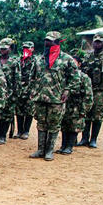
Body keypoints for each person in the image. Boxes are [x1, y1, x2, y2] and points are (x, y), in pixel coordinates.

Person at [28, 31, 80, 161]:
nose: (47, 43)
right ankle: (41, 150)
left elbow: (75, 78)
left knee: (54, 124)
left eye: (50, 41)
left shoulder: (66, 59)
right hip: (40, 97)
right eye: (46, 40)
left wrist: (67, 90)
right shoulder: (39, 58)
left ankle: (49, 151)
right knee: (41, 123)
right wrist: (33, 90)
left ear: (57, 42)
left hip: (56, 98)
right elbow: (32, 76)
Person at [77, 31, 103, 148]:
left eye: (99, 42)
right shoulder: (87, 57)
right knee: (86, 114)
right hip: (87, 91)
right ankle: (84, 138)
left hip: (100, 91)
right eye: (95, 42)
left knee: (97, 116)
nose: (96, 44)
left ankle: (93, 139)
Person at [57, 55, 93, 154]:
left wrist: (84, 109)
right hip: (65, 105)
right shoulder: (64, 76)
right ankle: (63, 145)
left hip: (77, 106)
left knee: (74, 126)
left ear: (79, 64)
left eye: (74, 62)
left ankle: (69, 146)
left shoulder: (84, 77)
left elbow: (88, 95)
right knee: (64, 125)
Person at [0, 38, 20, 143]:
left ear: (10, 49)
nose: (2, 51)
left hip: (9, 93)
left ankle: (2, 135)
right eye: (1, 49)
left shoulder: (14, 62)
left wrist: (15, 94)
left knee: (7, 115)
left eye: (5, 49)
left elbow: (17, 79)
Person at [16, 41, 37, 139]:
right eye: (24, 48)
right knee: (19, 110)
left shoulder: (35, 61)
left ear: (32, 49)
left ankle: (26, 131)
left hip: (30, 88)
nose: (26, 50)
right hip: (20, 88)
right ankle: (19, 131)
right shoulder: (19, 60)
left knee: (29, 110)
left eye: (28, 48)